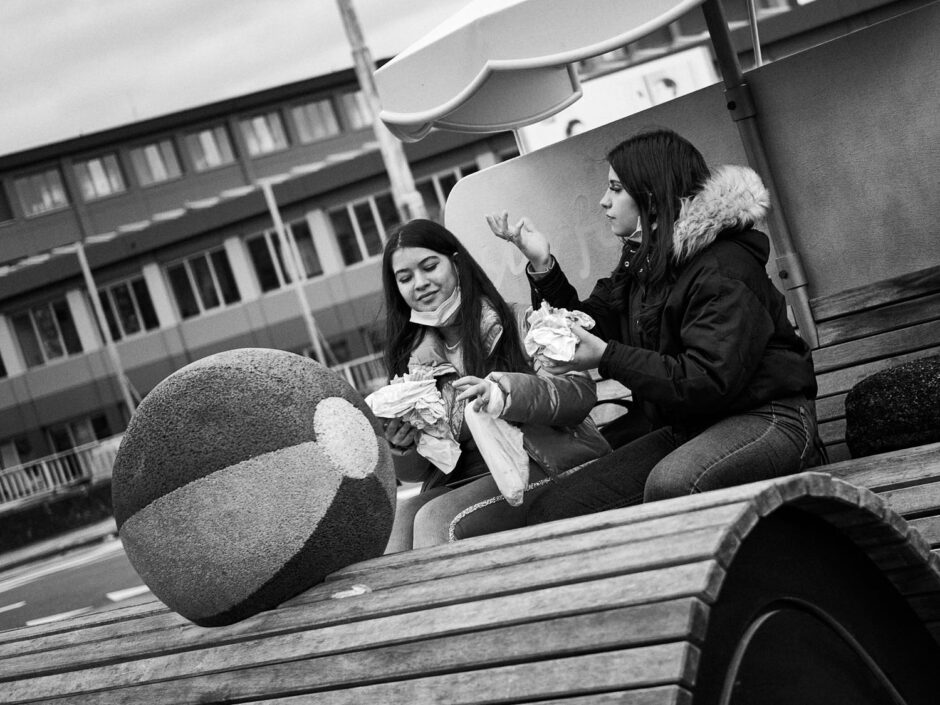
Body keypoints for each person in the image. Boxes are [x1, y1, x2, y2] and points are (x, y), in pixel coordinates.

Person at [485, 128, 826, 523]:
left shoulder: (722, 267)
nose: (603, 201)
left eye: (615, 189)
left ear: (650, 196)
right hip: (691, 428)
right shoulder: (646, 263)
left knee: (672, 485)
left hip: (769, 420)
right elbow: (588, 324)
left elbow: (706, 378)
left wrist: (609, 358)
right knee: (558, 509)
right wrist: (543, 265)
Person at [380, 219, 610, 552]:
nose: (420, 283)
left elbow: (578, 393)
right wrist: (402, 446)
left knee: (435, 520)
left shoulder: (520, 322)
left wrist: (505, 393)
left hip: (546, 463)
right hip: (465, 481)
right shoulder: (417, 364)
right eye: (405, 278)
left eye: (430, 267)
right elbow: (421, 471)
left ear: (457, 264)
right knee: (400, 520)